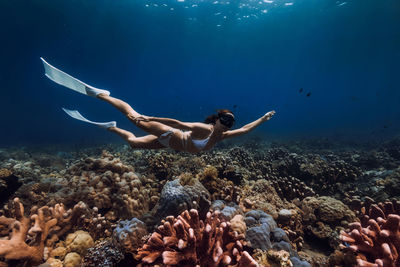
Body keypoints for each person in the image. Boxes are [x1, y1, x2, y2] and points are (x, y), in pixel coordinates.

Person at [41, 58, 276, 153]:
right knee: (135, 117)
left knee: (133, 144)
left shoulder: (220, 138)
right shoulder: (205, 130)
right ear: (216, 120)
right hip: (169, 132)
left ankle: (110, 127)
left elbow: (245, 130)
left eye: (230, 123)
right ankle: (100, 94)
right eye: (225, 120)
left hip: (167, 145)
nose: (228, 125)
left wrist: (263, 119)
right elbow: (178, 123)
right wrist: (151, 118)